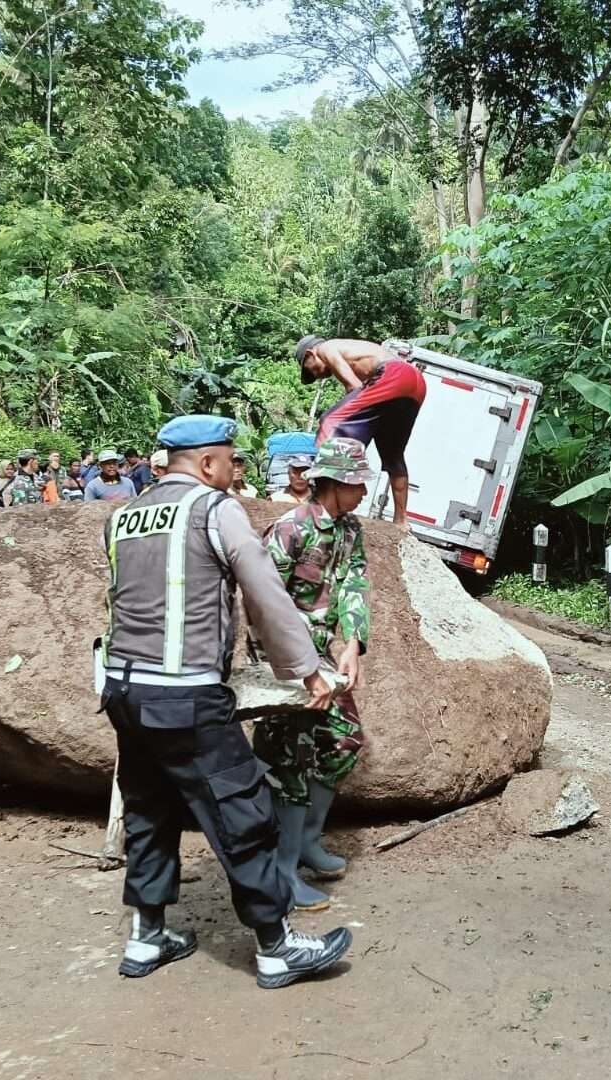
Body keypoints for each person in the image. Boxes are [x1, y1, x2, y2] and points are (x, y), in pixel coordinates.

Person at [98, 413, 353, 989]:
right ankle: (276, 946)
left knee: (149, 810)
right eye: (232, 460)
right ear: (209, 463)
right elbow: (266, 593)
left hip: (123, 690)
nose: (234, 470)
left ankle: (146, 936)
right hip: (186, 697)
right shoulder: (214, 510)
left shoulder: (123, 517)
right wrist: (307, 671)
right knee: (243, 812)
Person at [252, 438, 373, 911]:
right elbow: (262, 604)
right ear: (334, 482)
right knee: (291, 765)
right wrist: (297, 671)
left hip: (323, 661)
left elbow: (354, 583)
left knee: (345, 742)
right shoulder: (289, 529)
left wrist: (353, 644)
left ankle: (306, 841)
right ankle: (281, 873)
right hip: (283, 665)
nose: (364, 491)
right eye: (358, 482)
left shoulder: (349, 530)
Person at [296, 335, 426, 526]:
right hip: (415, 383)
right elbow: (362, 395)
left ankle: (323, 499)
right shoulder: (352, 349)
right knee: (392, 455)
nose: (315, 376)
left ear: (310, 354)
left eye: (309, 369)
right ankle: (401, 520)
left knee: (330, 421)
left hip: (394, 375)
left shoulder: (326, 348)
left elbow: (353, 386)